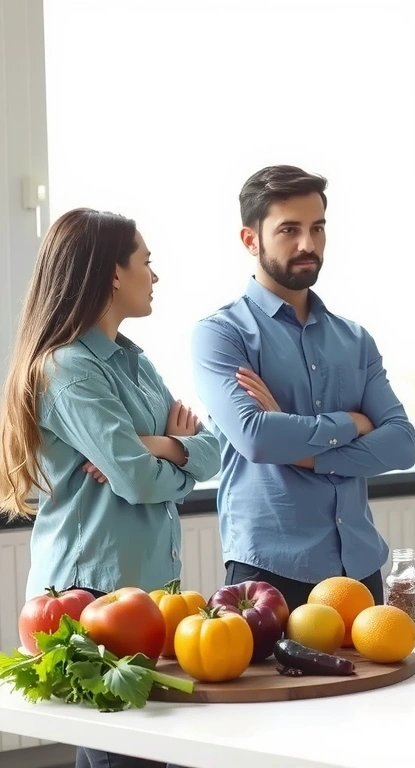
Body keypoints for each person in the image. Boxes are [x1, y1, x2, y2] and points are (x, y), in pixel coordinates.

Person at [0, 208, 221, 768]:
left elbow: (213, 448)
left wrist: (156, 445)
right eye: (146, 261)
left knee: (147, 754)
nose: (155, 275)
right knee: (122, 757)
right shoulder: (68, 369)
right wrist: (156, 450)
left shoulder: (133, 361)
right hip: (88, 597)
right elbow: (138, 481)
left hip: (144, 593)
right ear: (113, 274)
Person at [190, 164, 415, 612]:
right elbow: (257, 438)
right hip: (267, 577)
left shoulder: (355, 339)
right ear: (250, 239)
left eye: (317, 228)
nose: (307, 245)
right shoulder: (221, 334)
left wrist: (300, 446)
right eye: (289, 230)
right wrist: (351, 423)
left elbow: (402, 445)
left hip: (358, 569)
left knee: (385, 685)